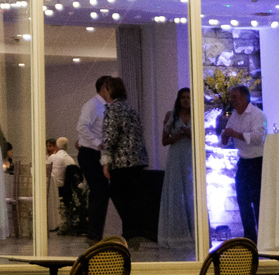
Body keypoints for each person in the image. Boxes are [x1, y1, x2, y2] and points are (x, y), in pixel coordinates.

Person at [98, 77, 149, 243]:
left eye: (105, 89)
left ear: (110, 90)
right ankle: (134, 231)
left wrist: (105, 162)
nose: (103, 93)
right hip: (137, 159)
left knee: (119, 195)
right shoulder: (130, 109)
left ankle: (130, 232)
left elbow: (110, 136)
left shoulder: (112, 110)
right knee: (132, 197)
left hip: (121, 161)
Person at [219, 84, 265, 244]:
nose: (232, 101)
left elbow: (259, 137)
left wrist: (236, 134)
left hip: (258, 162)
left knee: (258, 201)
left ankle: (263, 240)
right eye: (231, 98)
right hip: (244, 162)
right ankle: (250, 239)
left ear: (245, 97)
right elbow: (227, 135)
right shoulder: (234, 116)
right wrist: (224, 138)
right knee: (243, 200)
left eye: (235, 98)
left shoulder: (257, 114)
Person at [72, 76, 113, 237]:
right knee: (99, 190)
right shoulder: (92, 105)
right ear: (104, 87)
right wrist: (98, 143)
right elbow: (82, 127)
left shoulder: (105, 106)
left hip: (98, 153)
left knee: (101, 192)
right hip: (90, 153)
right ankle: (94, 231)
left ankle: (97, 230)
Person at [157, 86, 195, 248]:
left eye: (188, 97)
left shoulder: (196, 115)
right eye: (183, 97)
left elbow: (202, 138)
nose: (186, 100)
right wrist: (178, 135)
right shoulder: (171, 115)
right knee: (176, 194)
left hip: (191, 156)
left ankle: (195, 234)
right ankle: (176, 235)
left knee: (192, 194)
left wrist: (189, 134)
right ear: (179, 100)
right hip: (176, 156)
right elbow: (164, 141)